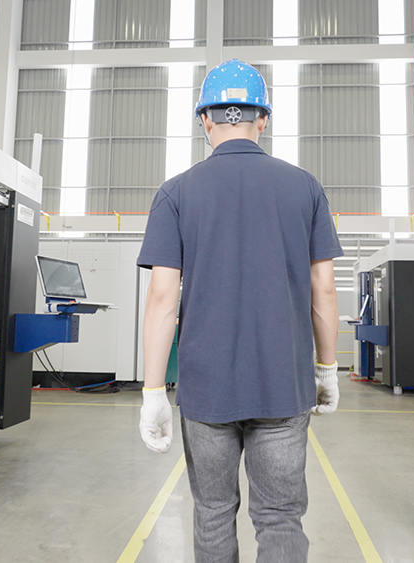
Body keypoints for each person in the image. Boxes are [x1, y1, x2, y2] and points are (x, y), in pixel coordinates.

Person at [135, 59, 344, 563]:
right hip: (283, 384)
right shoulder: (305, 187)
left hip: (206, 390)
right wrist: (327, 368)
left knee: (212, 511)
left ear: (205, 120)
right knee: (281, 516)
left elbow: (162, 299)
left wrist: (152, 391)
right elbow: (324, 290)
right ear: (263, 119)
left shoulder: (175, 193)